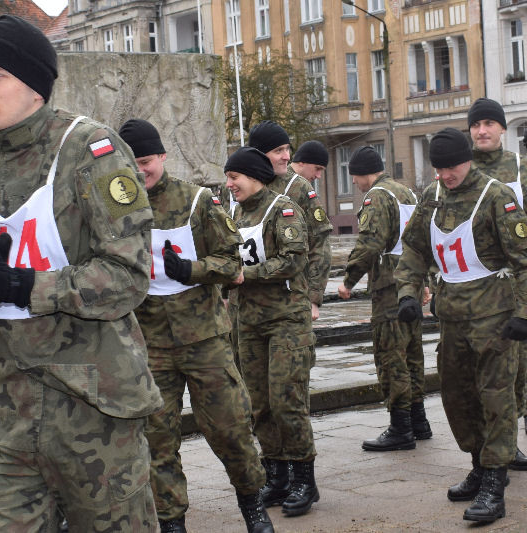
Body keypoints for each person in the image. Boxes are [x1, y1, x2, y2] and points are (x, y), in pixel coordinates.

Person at [0, 16, 163, 531]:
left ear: (35, 86)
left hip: (94, 405)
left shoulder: (88, 150)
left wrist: (20, 286)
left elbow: (128, 275)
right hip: (2, 411)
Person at [118, 119, 273, 533]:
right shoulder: (117, 207)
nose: (139, 171)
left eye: (146, 162)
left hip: (205, 340)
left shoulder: (197, 201)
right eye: (130, 163)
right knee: (157, 440)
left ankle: (253, 505)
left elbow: (232, 262)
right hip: (149, 344)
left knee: (231, 428)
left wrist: (194, 269)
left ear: (162, 158)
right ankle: (171, 522)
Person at [395, 127, 527, 524]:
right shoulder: (432, 199)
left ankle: (495, 482)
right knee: (458, 398)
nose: (445, 175)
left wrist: (523, 313)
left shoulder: (496, 196)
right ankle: (478, 464)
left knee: (496, 400)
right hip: (451, 319)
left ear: (466, 160)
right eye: (438, 168)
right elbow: (415, 248)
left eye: (451, 167)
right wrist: (407, 292)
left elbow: (523, 260)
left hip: (495, 321)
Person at [225, 146, 320, 517]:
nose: (229, 184)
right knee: (259, 403)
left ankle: (304, 478)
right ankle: (276, 475)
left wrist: (245, 275)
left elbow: (295, 259)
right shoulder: (231, 212)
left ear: (254, 176)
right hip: (247, 321)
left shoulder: (282, 208)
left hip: (286, 319)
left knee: (286, 398)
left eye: (235, 177)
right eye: (228, 177)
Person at [337, 146, 431, 451]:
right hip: (410, 285)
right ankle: (420, 421)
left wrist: (349, 279)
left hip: (389, 288)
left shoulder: (376, 196)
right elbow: (421, 242)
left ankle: (400, 427)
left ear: (365, 173)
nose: (354, 182)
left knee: (391, 357)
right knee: (414, 353)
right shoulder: (406, 194)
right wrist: (425, 282)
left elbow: (369, 243)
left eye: (354, 176)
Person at [467, 97, 527, 470]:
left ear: (503, 129)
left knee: (519, 371)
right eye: (476, 124)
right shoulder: (461, 169)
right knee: (482, 376)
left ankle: (511, 443)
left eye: (490, 123)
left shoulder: (518, 167)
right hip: (475, 291)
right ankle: (488, 452)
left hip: (517, 285)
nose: (482, 130)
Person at [248, 121, 332, 320]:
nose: (287, 156)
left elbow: (319, 244)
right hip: (245, 303)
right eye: (279, 150)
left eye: (287, 149)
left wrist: (313, 297)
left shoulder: (298, 188)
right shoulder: (236, 185)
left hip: (287, 302)